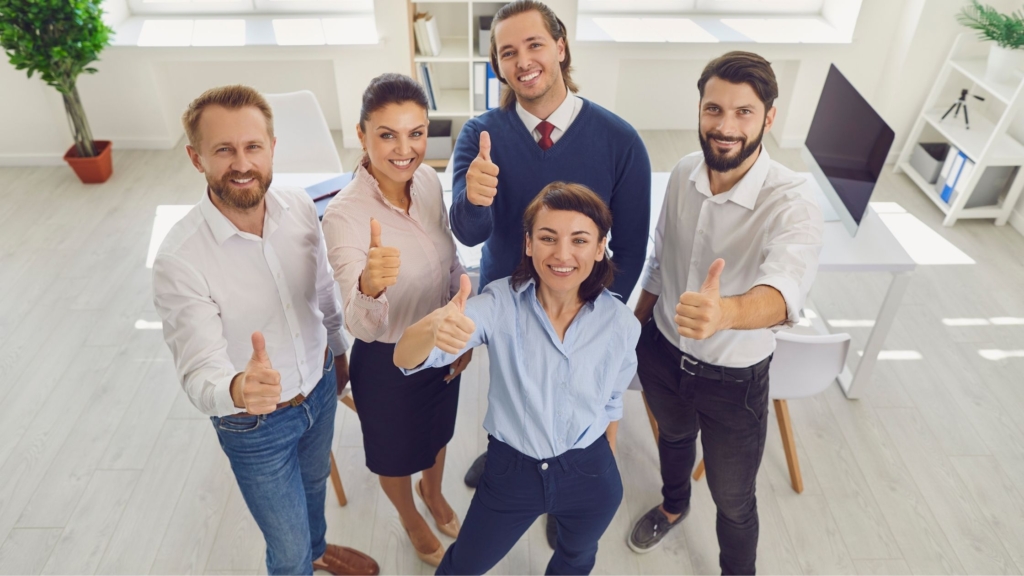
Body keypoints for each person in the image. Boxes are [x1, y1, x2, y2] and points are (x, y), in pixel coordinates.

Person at [152, 85, 379, 576]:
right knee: (287, 547)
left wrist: (338, 354)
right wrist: (237, 387)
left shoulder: (298, 207)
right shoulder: (179, 259)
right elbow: (198, 371)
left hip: (319, 387)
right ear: (196, 158)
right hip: (254, 424)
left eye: (252, 146)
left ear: (272, 147)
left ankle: (319, 550)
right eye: (223, 150)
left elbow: (321, 295)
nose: (241, 163)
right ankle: (304, 558)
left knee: (315, 484)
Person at [450, 0, 652, 545]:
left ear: (561, 47)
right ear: (497, 66)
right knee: (514, 392)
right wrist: (474, 199)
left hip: (585, 310)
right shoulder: (479, 137)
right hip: (511, 307)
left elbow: (631, 246)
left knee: (574, 401)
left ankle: (563, 489)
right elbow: (468, 234)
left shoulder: (620, 140)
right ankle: (509, 460)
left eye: (535, 44)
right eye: (507, 53)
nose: (524, 61)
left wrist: (595, 315)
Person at [626, 52, 825, 574]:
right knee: (671, 437)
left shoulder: (793, 199)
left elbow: (783, 293)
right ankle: (673, 505)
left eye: (743, 112)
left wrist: (727, 312)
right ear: (699, 109)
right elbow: (658, 259)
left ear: (769, 117)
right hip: (662, 354)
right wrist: (634, 326)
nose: (726, 126)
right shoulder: (684, 173)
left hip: (733, 382)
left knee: (734, 502)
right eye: (714, 109)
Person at [395, 182, 641, 575]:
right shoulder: (498, 303)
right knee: (462, 566)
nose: (562, 254)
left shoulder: (622, 324)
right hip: (512, 474)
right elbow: (405, 358)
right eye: (548, 238)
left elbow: (612, 399)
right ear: (528, 244)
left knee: (577, 558)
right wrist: (431, 329)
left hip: (591, 474)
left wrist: (603, 458)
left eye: (579, 240)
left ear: (599, 248)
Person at [321, 73, 471, 568]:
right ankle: (410, 516)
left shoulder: (427, 180)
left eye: (416, 133)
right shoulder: (344, 217)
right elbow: (360, 326)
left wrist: (459, 324)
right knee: (395, 456)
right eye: (387, 134)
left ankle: (434, 491)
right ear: (362, 135)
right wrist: (369, 284)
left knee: (439, 433)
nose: (405, 149)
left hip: (440, 341)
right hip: (386, 362)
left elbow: (451, 259)